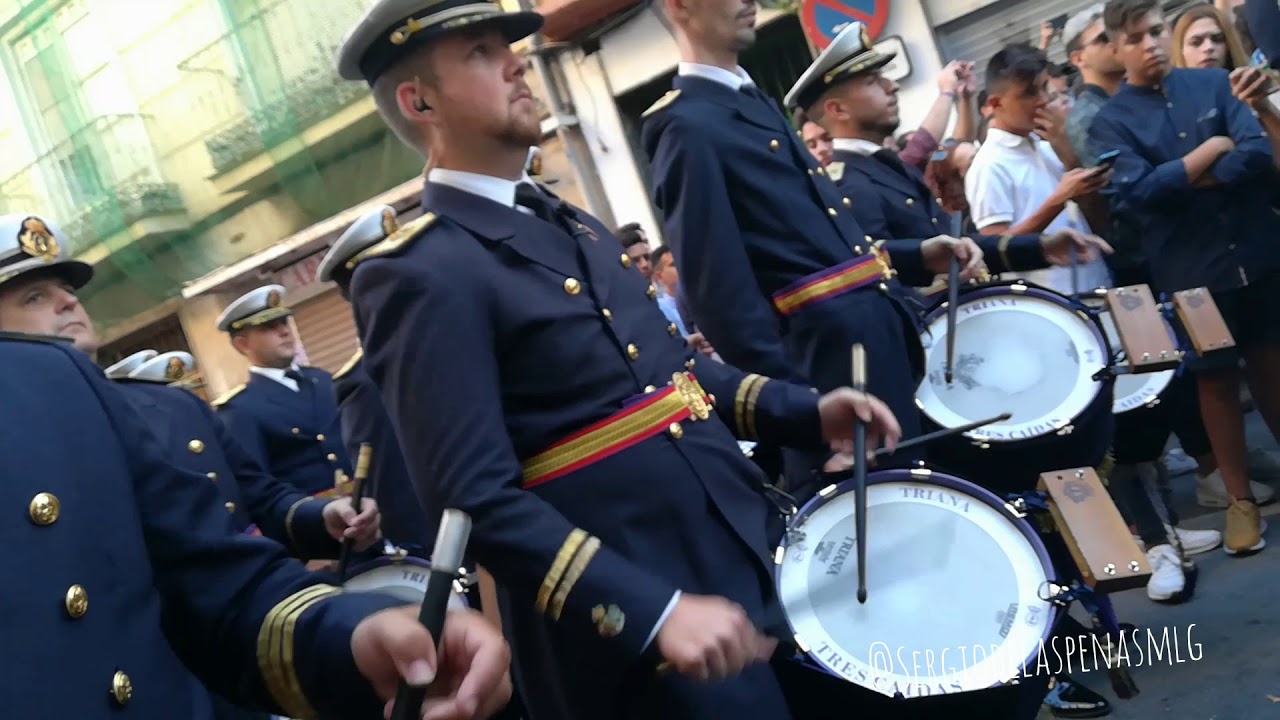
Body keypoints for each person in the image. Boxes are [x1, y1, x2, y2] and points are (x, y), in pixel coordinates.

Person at [335, 3, 903, 719]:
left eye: (507, 47)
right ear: (420, 103)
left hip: (739, 555)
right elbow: (475, 499)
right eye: (480, 53)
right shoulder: (418, 271)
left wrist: (807, 411)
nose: (515, 63)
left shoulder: (570, 223)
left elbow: (674, 379)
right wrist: (650, 610)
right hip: (634, 636)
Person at [0, 212, 514, 719]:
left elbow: (217, 566)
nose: (69, 302)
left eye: (66, 290)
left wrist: (354, 630)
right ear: (242, 342)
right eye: (35, 297)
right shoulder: (239, 408)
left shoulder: (86, 389)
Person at [641, 0, 981, 500]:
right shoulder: (687, 124)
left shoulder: (750, 102)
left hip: (871, 358)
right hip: (830, 384)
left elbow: (814, 247)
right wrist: (806, 414)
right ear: (680, 6)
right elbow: (722, 297)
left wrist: (916, 256)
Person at [1091, 0, 1280, 555]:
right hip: (1191, 272)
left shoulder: (1215, 84)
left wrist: (1184, 174)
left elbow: (1255, 155)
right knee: (1215, 385)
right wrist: (1213, 149)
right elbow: (1138, 193)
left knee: (1273, 372)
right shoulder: (1110, 121)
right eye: (1135, 38)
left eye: (1155, 31)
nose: (1150, 44)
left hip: (1256, 252)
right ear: (1117, 48)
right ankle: (1240, 502)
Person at [785, 23, 1110, 294]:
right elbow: (883, 281)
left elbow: (957, 247)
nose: (892, 86)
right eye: (873, 82)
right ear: (838, 110)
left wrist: (1041, 247)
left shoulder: (883, 166)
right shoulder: (848, 183)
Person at [212, 285, 353, 497]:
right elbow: (257, 486)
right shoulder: (239, 408)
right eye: (269, 327)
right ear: (243, 344)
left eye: (284, 322)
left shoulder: (322, 378)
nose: (285, 332)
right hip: (311, 512)